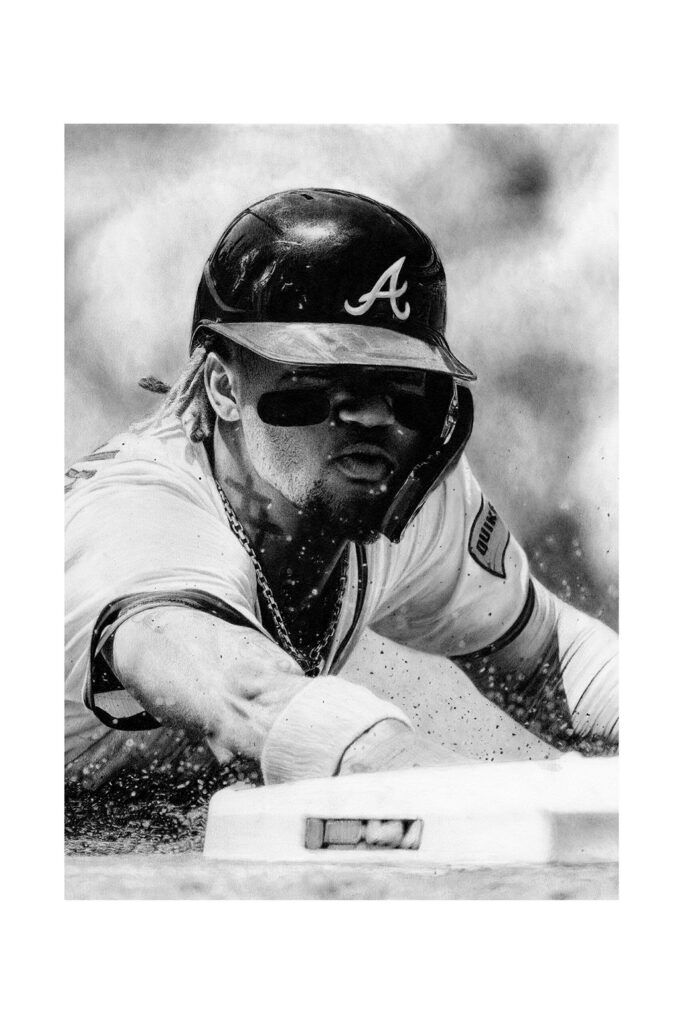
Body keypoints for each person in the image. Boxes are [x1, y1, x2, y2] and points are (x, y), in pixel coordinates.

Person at [65, 187, 618, 792]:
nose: (374, 414)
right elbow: (250, 697)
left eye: (403, 382)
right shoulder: (138, 519)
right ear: (223, 388)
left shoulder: (401, 491)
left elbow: (548, 661)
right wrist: (494, 803)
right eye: (328, 374)